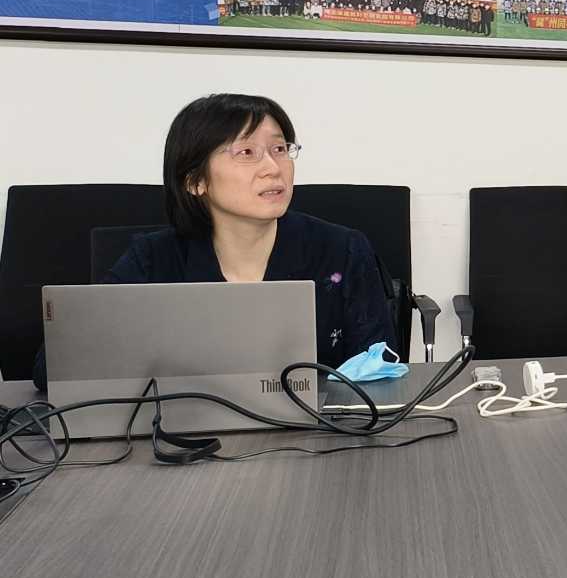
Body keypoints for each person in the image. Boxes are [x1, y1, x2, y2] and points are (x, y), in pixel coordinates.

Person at [91, 94, 395, 371]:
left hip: (318, 415)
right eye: (247, 151)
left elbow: (380, 374)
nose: (273, 168)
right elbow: (72, 364)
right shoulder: (152, 261)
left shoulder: (342, 251)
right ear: (195, 181)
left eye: (279, 149)